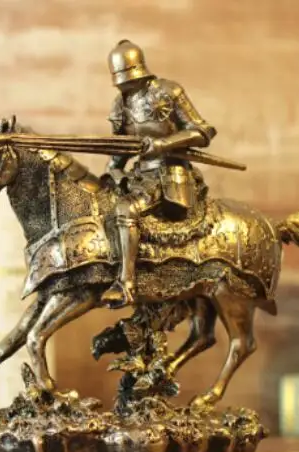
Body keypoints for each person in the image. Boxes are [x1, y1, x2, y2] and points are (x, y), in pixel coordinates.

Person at [101, 39, 217, 308]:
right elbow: (119, 153)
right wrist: (115, 173)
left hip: (169, 175)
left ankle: (126, 284)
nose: (123, 86)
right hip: (139, 178)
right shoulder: (120, 105)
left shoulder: (167, 91)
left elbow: (203, 131)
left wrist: (164, 144)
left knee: (126, 210)